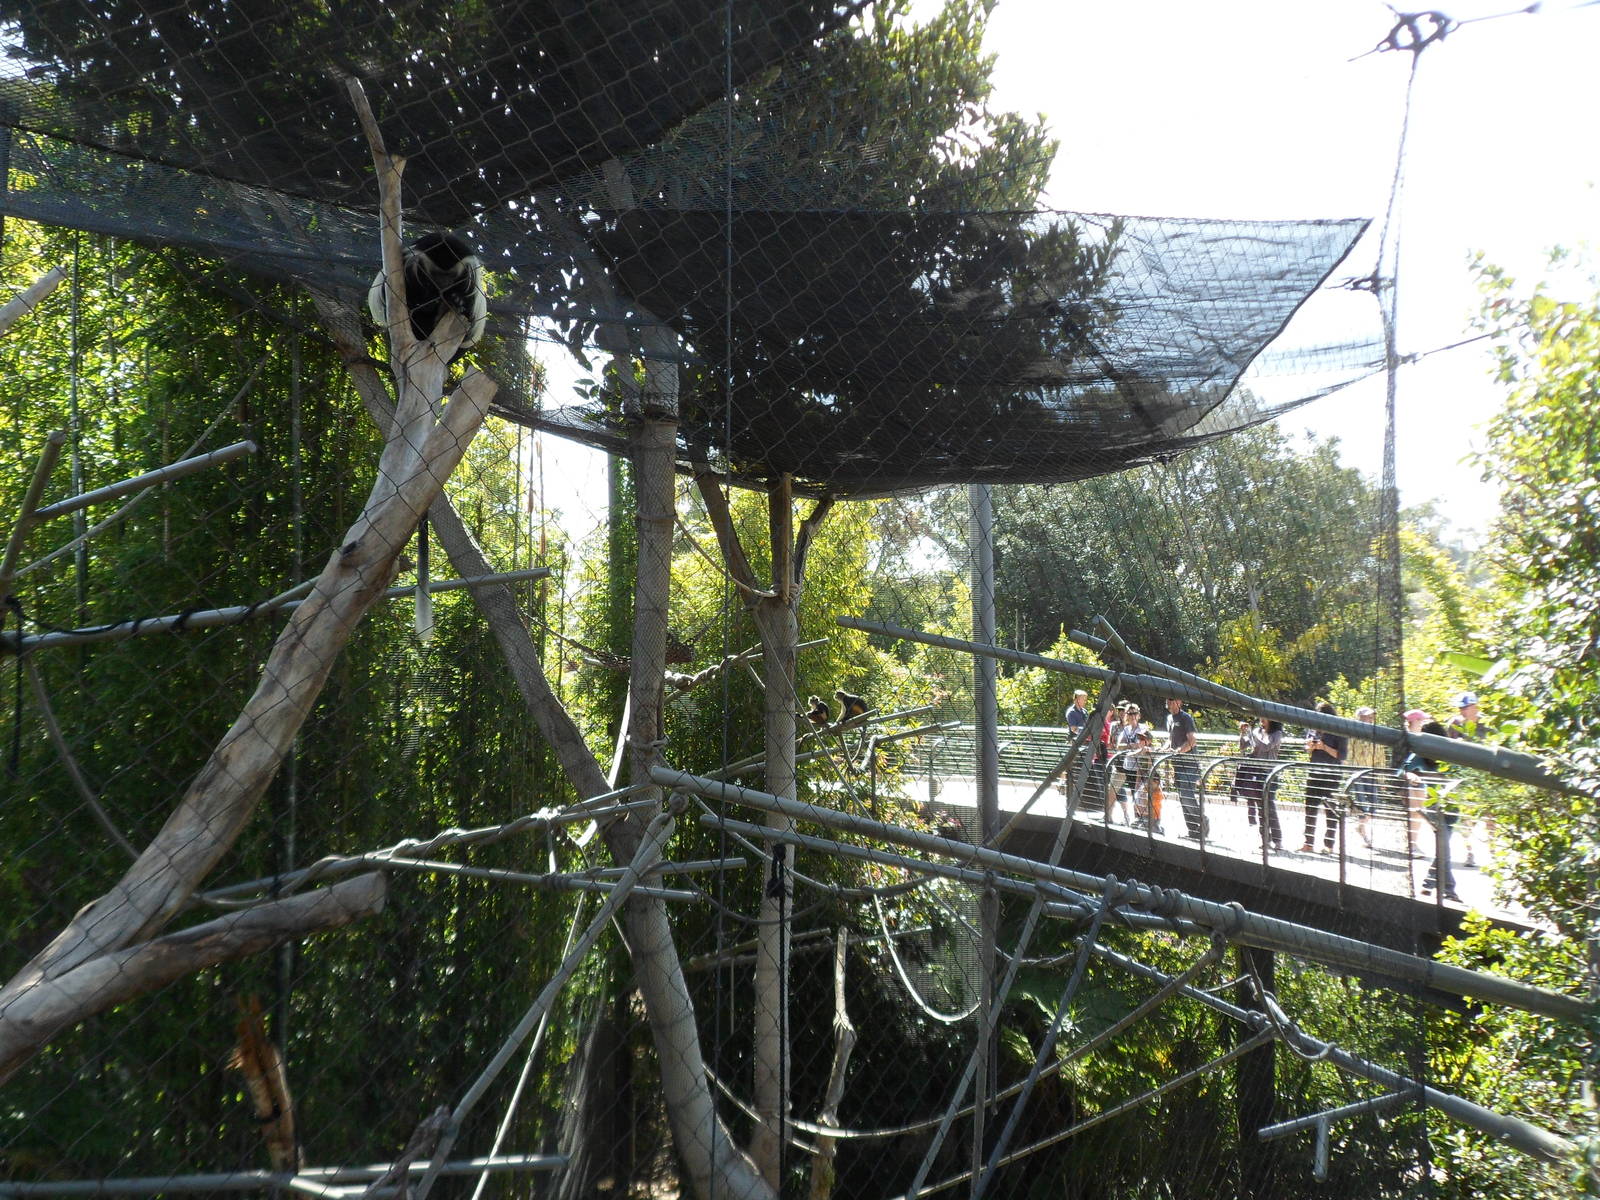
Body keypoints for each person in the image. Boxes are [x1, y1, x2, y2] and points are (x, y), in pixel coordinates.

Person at [1402, 719, 1460, 901]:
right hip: (1435, 804)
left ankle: (1436, 885)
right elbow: (1402, 770)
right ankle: (1445, 889)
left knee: (1444, 847)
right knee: (1444, 846)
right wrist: (1412, 775)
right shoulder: (1421, 754)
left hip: (1452, 805)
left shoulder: (1452, 752)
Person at [1446, 691, 1494, 867]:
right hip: (1464, 777)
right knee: (1467, 817)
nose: (1462, 711)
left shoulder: (1487, 724)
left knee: (1490, 815)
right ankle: (1470, 852)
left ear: (1475, 707)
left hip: (1485, 777)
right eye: (1461, 707)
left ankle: (1494, 854)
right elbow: (1447, 749)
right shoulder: (1454, 724)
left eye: (1465, 707)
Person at [1300, 701, 1347, 854]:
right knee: (1310, 808)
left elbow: (1342, 755)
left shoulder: (1339, 729)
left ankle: (1329, 845)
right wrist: (1310, 746)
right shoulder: (1313, 728)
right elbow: (1306, 748)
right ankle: (1308, 843)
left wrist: (1324, 747)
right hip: (1314, 773)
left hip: (1332, 775)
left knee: (1330, 810)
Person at [1235, 717, 1284, 851]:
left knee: (1269, 807)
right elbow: (1242, 746)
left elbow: (1265, 746)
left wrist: (1251, 733)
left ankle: (1277, 840)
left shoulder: (1277, 734)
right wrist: (1243, 733)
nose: (1261, 719)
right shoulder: (1257, 731)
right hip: (1255, 773)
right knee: (1260, 808)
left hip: (1269, 775)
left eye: (1265, 717)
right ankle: (1265, 840)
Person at [1164, 697, 1205, 839]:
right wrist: (1164, 749)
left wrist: (1178, 751)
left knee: (1187, 796)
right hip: (1177, 764)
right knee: (1182, 798)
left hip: (1189, 764)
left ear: (1179, 701)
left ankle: (1203, 821)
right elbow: (1170, 740)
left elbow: (1192, 741)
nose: (1168, 702)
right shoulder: (1169, 718)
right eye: (1167, 699)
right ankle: (1193, 831)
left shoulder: (1186, 718)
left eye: (1172, 699)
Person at [1345, 706, 1385, 850]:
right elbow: (1349, 754)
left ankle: (1360, 827)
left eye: (1371, 716)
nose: (1369, 719)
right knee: (1362, 804)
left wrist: (1381, 778)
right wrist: (1351, 774)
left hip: (1372, 773)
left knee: (1374, 805)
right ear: (1359, 717)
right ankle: (1364, 834)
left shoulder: (1377, 734)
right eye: (1366, 716)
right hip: (1358, 774)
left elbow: (1381, 757)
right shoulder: (1354, 734)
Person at [1398, 708, 1431, 853]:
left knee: (1419, 812)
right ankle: (1411, 844)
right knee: (1415, 813)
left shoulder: (1421, 738)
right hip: (1408, 781)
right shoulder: (1405, 740)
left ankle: (1413, 843)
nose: (1423, 722)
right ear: (1414, 721)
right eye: (1421, 720)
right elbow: (1399, 765)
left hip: (1421, 780)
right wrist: (1408, 776)